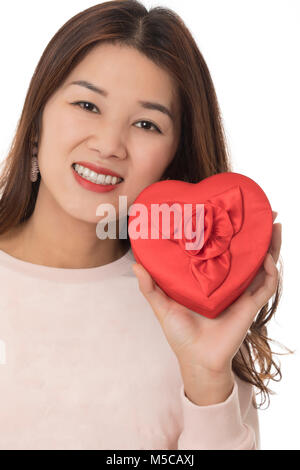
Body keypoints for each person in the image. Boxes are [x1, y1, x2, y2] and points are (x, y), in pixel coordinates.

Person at [0, 0, 286, 450]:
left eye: (147, 124)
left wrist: (207, 379)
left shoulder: (197, 310)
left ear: (174, 157)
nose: (110, 144)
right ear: (36, 120)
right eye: (87, 104)